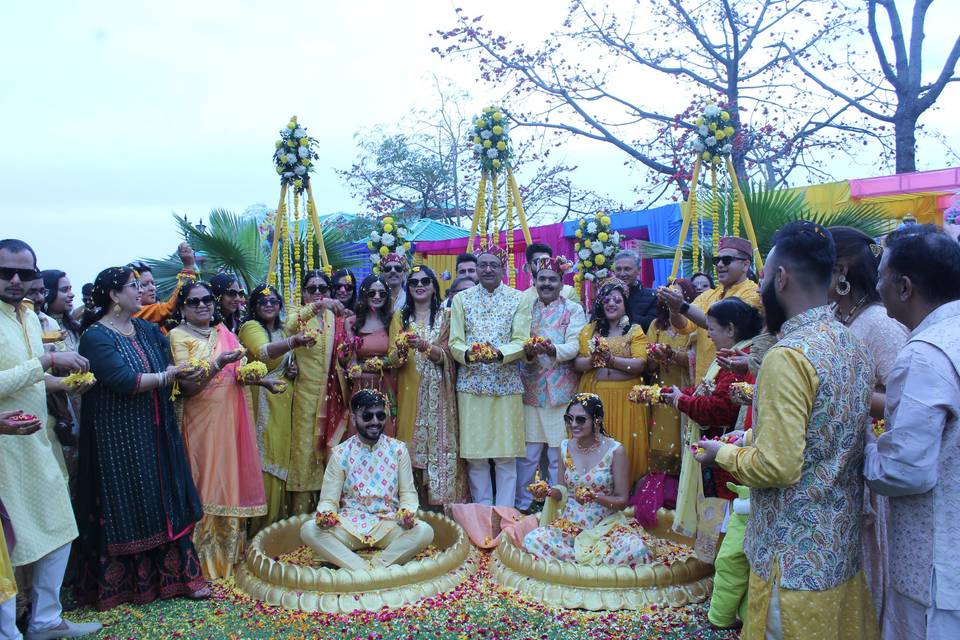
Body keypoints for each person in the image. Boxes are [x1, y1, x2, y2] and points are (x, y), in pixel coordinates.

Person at [696, 222, 878, 640]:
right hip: (838, 552)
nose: (761, 293)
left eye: (763, 281)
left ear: (780, 278)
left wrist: (720, 454)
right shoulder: (849, 344)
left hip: (791, 561)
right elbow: (822, 437)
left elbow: (777, 467)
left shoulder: (788, 355)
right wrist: (746, 439)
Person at [76, 267, 207, 611]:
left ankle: (178, 578)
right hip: (116, 437)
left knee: (162, 495)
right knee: (127, 501)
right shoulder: (96, 336)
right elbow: (123, 380)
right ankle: (129, 585)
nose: (141, 291)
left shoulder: (148, 330)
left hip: (155, 429)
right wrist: (168, 376)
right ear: (114, 295)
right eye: (133, 287)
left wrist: (198, 368)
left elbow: (175, 361)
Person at [0, 239, 101, 638]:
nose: (15, 280)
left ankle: (45, 620)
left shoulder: (27, 316)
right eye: (5, 272)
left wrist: (65, 383)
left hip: (34, 439)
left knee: (59, 524)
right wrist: (46, 361)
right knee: (3, 550)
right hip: (3, 446)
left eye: (25, 274)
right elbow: (26, 369)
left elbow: (29, 375)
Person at [865, 224, 960, 639]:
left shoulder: (924, 355)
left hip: (935, 566)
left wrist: (861, 447)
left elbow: (906, 471)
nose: (877, 284)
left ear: (904, 286)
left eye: (881, 275)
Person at [828, 226, 908, 624]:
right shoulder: (830, 318)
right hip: (833, 462)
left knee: (868, 562)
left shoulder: (879, 324)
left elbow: (906, 401)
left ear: (840, 271)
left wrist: (845, 394)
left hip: (869, 466)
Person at [168, 280, 272, 579]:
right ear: (183, 307)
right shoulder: (178, 336)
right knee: (206, 479)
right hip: (201, 419)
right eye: (194, 302)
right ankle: (203, 563)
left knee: (229, 476)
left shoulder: (222, 332)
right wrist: (217, 364)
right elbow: (187, 385)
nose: (202, 306)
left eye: (206, 300)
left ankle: (231, 556)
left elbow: (236, 374)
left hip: (230, 416)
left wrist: (262, 381)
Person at [662, 297, 760, 556]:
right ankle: (709, 563)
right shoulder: (733, 356)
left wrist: (681, 401)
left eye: (713, 329)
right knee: (715, 509)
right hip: (718, 451)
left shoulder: (740, 360)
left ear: (730, 329)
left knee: (723, 514)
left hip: (726, 457)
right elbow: (707, 391)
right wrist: (680, 394)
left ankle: (713, 566)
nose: (710, 335)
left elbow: (719, 408)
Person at [300, 389, 433, 570]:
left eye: (380, 416)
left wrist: (406, 511)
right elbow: (329, 500)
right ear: (354, 418)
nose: (375, 422)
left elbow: (408, 493)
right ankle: (363, 569)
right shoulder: (341, 453)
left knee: (424, 531)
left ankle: (376, 567)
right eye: (368, 416)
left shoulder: (398, 450)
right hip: (350, 527)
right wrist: (326, 514)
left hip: (388, 524)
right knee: (309, 530)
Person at [524, 393, 652, 566]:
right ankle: (590, 566)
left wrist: (594, 497)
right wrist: (546, 491)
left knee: (635, 549)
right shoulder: (565, 447)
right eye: (569, 419)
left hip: (606, 528)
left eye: (580, 420)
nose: (573, 425)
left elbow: (622, 500)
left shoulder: (615, 451)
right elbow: (562, 492)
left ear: (596, 421)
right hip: (571, 526)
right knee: (533, 539)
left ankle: (576, 567)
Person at [449, 246, 531, 507]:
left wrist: (499, 354)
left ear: (502, 268)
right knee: (476, 456)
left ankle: (505, 515)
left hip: (506, 383)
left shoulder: (519, 299)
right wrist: (469, 354)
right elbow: (455, 342)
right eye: (482, 264)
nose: (487, 269)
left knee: (506, 457)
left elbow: (522, 340)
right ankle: (483, 515)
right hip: (471, 385)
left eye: (493, 265)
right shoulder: (462, 299)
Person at [239, 284, 314, 533]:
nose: (269, 305)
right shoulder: (250, 328)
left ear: (280, 305)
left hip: (286, 399)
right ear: (254, 307)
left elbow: (287, 361)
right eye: (262, 302)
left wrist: (292, 369)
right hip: (263, 400)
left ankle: (279, 528)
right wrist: (293, 342)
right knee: (265, 458)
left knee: (282, 457)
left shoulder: (283, 329)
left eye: (273, 301)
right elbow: (263, 352)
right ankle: (259, 529)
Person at [516, 256, 586, 513]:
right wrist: (528, 350)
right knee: (528, 455)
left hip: (561, 390)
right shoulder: (525, 308)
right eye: (542, 279)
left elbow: (575, 345)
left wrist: (550, 348)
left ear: (560, 282)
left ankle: (557, 507)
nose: (546, 283)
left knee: (558, 454)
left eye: (552, 279)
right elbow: (518, 340)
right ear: (534, 281)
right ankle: (522, 505)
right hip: (531, 388)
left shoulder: (573, 309)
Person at [389, 265, 464, 506]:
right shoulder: (400, 318)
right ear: (408, 288)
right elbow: (392, 358)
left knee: (439, 447)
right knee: (408, 446)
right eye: (414, 282)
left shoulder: (447, 317)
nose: (419, 285)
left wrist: (424, 346)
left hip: (440, 394)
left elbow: (450, 356)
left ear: (434, 286)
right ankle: (411, 507)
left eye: (425, 281)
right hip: (409, 390)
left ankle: (441, 508)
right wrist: (401, 350)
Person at [573, 278, 649, 486]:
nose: (612, 303)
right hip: (596, 396)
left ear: (625, 304)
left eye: (617, 300)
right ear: (600, 304)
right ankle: (592, 489)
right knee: (595, 443)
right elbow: (578, 363)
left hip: (626, 399)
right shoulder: (590, 330)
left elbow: (640, 363)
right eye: (607, 299)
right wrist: (593, 359)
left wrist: (610, 360)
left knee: (624, 444)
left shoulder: (635, 330)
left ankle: (624, 492)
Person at [658, 236, 761, 383]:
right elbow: (684, 326)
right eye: (716, 260)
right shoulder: (708, 295)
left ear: (745, 265)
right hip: (704, 377)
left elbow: (722, 325)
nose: (719, 264)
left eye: (726, 260)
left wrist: (682, 306)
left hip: (734, 380)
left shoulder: (753, 293)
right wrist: (674, 309)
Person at [286, 271, 343, 513]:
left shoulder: (334, 317)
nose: (318, 293)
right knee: (305, 449)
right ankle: (301, 514)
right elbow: (289, 327)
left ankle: (329, 510)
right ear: (305, 293)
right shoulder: (298, 315)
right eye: (312, 289)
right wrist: (317, 306)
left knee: (329, 450)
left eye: (323, 289)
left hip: (333, 393)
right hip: (305, 395)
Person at [344, 274, 399, 437]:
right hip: (360, 383)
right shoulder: (352, 322)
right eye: (372, 293)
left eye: (382, 293)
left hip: (386, 383)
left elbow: (397, 355)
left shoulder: (392, 321)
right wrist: (355, 369)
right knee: (360, 427)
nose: (377, 297)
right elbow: (350, 358)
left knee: (386, 428)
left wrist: (380, 364)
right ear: (364, 295)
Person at [131, 243, 198, 328]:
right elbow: (169, 308)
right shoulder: (133, 312)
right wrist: (188, 267)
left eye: (152, 283)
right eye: (144, 284)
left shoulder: (156, 306)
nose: (152, 288)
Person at [612, 249, 658, 331]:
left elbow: (652, 326)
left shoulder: (653, 297)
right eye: (618, 269)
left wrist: (622, 314)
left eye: (627, 269)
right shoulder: (606, 296)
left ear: (638, 270)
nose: (622, 274)